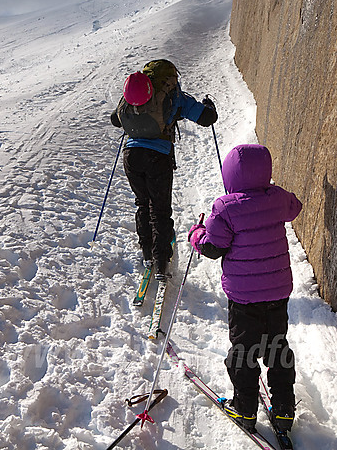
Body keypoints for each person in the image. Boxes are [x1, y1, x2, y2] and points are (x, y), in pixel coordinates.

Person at [187, 144, 302, 434]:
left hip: (244, 297)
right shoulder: (277, 198)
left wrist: (196, 234)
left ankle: (245, 409)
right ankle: (285, 409)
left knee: (245, 351)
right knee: (277, 346)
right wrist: (270, 194)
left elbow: (214, 247)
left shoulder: (225, 208)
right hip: (277, 291)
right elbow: (295, 207)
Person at [110, 59, 217, 280]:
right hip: (158, 157)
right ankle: (161, 262)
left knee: (143, 203)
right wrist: (209, 106)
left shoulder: (135, 94)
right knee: (160, 209)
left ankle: (147, 252)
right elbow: (207, 118)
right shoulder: (174, 96)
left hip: (131, 156)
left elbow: (115, 119)